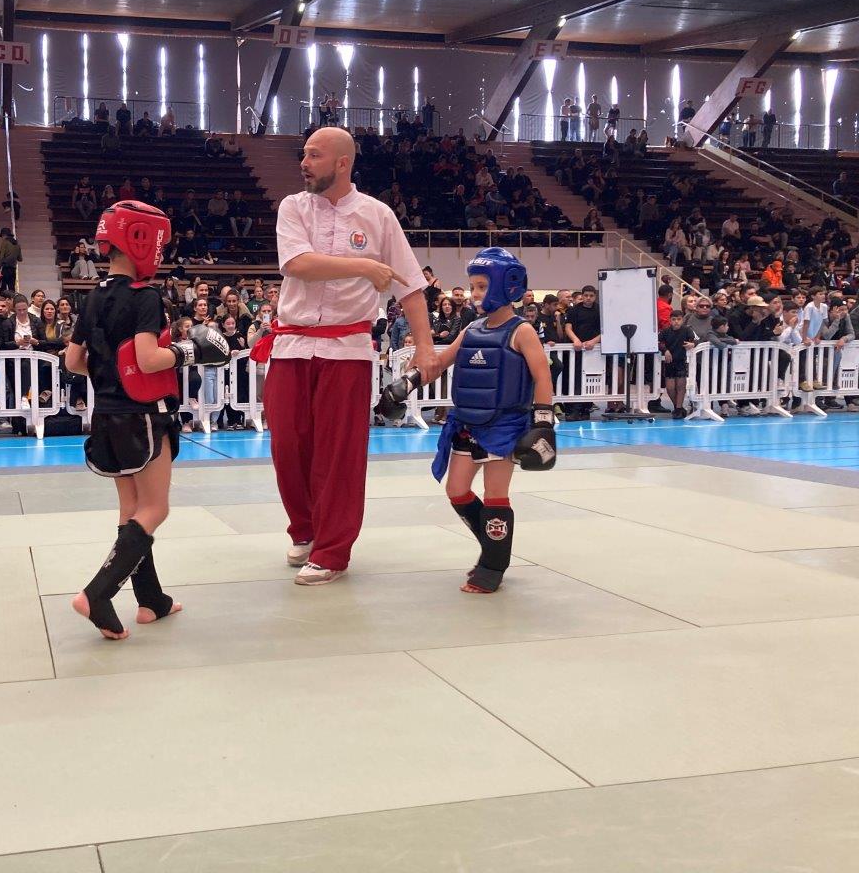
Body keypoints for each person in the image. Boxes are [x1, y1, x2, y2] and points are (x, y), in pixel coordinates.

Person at [251, 126, 434, 586]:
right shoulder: (293, 207)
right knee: (287, 445)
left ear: (342, 162)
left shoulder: (378, 215)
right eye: (304, 154)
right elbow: (298, 265)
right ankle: (306, 529)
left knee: (339, 454)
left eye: (314, 155)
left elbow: (410, 286)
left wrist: (425, 347)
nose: (304, 162)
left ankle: (332, 551)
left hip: (347, 350)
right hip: (291, 344)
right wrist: (366, 267)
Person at [63, 199, 230, 639]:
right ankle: (97, 593)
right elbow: (148, 359)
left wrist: (112, 373)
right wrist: (190, 351)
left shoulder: (92, 297)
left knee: (131, 510)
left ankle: (151, 600)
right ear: (141, 240)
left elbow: (73, 361)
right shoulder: (146, 296)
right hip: (143, 416)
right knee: (156, 508)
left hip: (106, 415)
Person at [404, 248, 557, 593]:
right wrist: (406, 383)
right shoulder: (472, 329)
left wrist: (543, 422)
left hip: (505, 426)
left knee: (495, 494)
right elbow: (439, 363)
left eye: (482, 286)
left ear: (506, 286)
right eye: (472, 286)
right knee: (456, 490)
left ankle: (493, 564)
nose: (474, 294)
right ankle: (493, 546)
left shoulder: (522, 331)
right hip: (468, 423)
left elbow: (542, 375)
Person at [659, 308, 697, 419]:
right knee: (670, 388)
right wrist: (665, 350)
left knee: (681, 386)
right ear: (670, 320)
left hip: (681, 361)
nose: (676, 322)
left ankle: (678, 409)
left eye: (679, 319)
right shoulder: (665, 331)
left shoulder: (687, 330)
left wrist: (692, 344)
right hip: (669, 363)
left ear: (682, 320)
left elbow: (696, 339)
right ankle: (677, 407)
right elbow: (659, 342)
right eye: (674, 319)